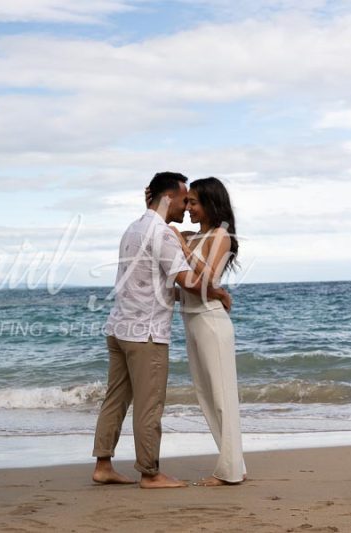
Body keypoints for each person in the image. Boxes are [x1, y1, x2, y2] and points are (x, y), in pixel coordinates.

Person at [92, 172, 231, 489]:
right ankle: (150, 473)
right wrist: (219, 293)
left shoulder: (132, 229)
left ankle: (103, 465)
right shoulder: (163, 235)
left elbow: (154, 281)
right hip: (147, 334)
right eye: (184, 199)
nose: (186, 208)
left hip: (119, 328)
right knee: (149, 404)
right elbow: (188, 282)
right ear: (169, 198)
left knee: (115, 399)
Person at [173, 176, 247, 486]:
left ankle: (229, 471)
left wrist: (183, 247)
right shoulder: (191, 237)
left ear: (209, 203)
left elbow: (210, 278)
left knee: (221, 397)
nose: (187, 207)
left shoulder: (221, 235)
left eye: (193, 202)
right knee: (205, 396)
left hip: (211, 321)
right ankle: (234, 465)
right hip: (190, 319)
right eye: (186, 201)